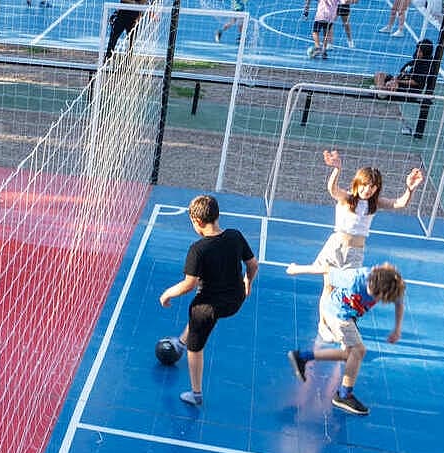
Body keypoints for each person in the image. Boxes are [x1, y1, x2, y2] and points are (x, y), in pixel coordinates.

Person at [158, 195, 259, 406]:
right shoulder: (235, 236)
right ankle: (181, 342)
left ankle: (196, 394)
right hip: (235, 299)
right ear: (217, 215)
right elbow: (253, 265)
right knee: (198, 318)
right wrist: (248, 283)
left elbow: (189, 284)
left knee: (196, 338)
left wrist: (167, 293)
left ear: (197, 222)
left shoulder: (198, 249)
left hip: (209, 308)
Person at [287, 263, 406, 416]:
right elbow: (326, 270)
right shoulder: (355, 278)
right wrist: (297, 269)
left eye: (378, 297)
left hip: (349, 315)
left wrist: (397, 329)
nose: (374, 297)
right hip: (337, 313)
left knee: (349, 355)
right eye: (373, 293)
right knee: (359, 351)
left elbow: (399, 305)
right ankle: (344, 395)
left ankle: (302, 357)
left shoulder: (394, 286)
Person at [286, 149, 424, 275]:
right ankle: (297, 269)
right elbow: (332, 189)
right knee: (326, 276)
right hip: (337, 246)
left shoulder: (375, 203)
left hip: (356, 252)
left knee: (349, 284)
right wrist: (337, 169)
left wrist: (410, 189)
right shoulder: (347, 198)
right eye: (364, 185)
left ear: (377, 189)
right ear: (357, 183)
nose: (367, 190)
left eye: (372, 187)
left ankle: (302, 269)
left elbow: (400, 203)